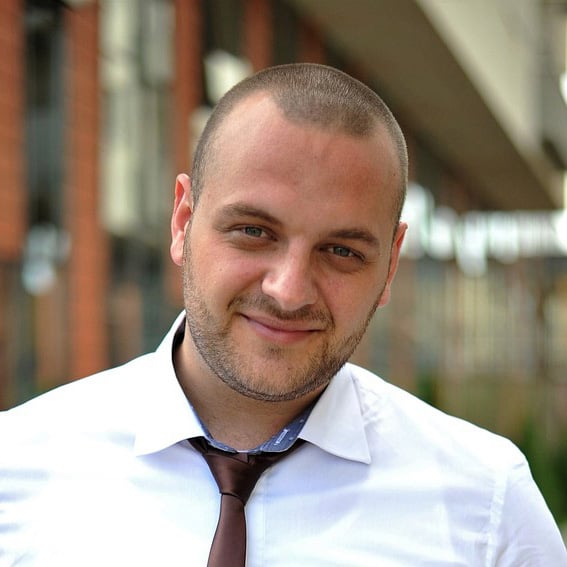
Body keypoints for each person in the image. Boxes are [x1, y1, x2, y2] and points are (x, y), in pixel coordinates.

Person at [1, 63, 565, 566]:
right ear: (182, 221)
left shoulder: (488, 508)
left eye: (341, 251)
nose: (289, 290)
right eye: (253, 232)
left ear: (390, 265)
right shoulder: (15, 472)